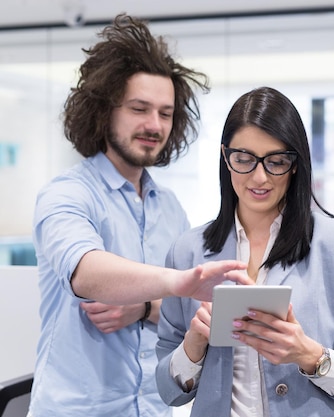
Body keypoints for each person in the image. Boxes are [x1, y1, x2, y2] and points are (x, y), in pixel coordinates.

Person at [29, 14, 255, 417]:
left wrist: (145, 306)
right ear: (105, 111)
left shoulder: (169, 207)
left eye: (165, 113)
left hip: (152, 408)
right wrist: (174, 283)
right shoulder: (66, 194)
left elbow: (185, 314)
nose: (154, 125)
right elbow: (85, 272)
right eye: (139, 108)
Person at [155, 86, 334, 416]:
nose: (259, 177)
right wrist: (193, 344)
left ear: (294, 165)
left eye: (275, 161)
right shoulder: (188, 250)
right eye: (244, 159)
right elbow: (167, 391)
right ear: (225, 157)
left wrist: (310, 355)